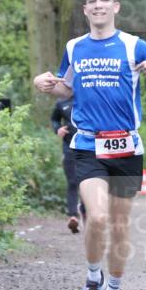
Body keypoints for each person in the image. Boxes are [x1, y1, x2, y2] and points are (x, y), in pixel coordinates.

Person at [34, 0, 146, 290]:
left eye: (105, 0)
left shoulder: (134, 46)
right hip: (87, 145)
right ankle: (92, 280)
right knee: (97, 217)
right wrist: (42, 84)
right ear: (85, 9)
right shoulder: (74, 47)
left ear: (115, 7)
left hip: (127, 148)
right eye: (92, 1)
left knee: (118, 225)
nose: (98, 5)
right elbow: (65, 88)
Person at [50, 97, 84, 233]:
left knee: (88, 182)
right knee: (72, 182)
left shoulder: (88, 95)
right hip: (69, 147)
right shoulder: (61, 103)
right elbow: (54, 119)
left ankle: (89, 214)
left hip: (90, 147)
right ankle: (73, 216)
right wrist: (57, 129)